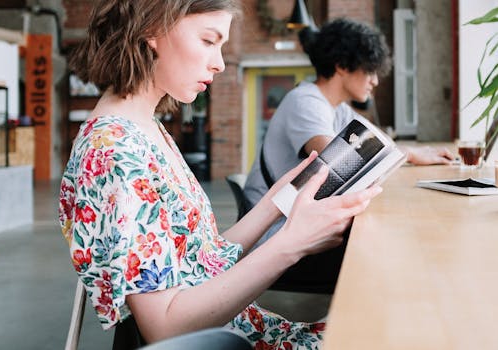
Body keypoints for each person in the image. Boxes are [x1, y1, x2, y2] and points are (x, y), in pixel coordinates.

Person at [58, 1, 383, 348]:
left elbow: (204, 259)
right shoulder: (115, 151)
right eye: (208, 41)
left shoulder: (144, 128)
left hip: (238, 331)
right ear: (151, 28)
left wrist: (279, 198)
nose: (220, 63)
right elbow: (165, 328)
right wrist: (291, 244)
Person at [244, 18, 455, 248]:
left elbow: (382, 146)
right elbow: (340, 163)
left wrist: (415, 152)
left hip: (299, 226)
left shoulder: (339, 109)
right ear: (342, 66)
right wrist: (412, 155)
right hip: (272, 237)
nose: (375, 81)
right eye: (370, 70)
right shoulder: (305, 101)